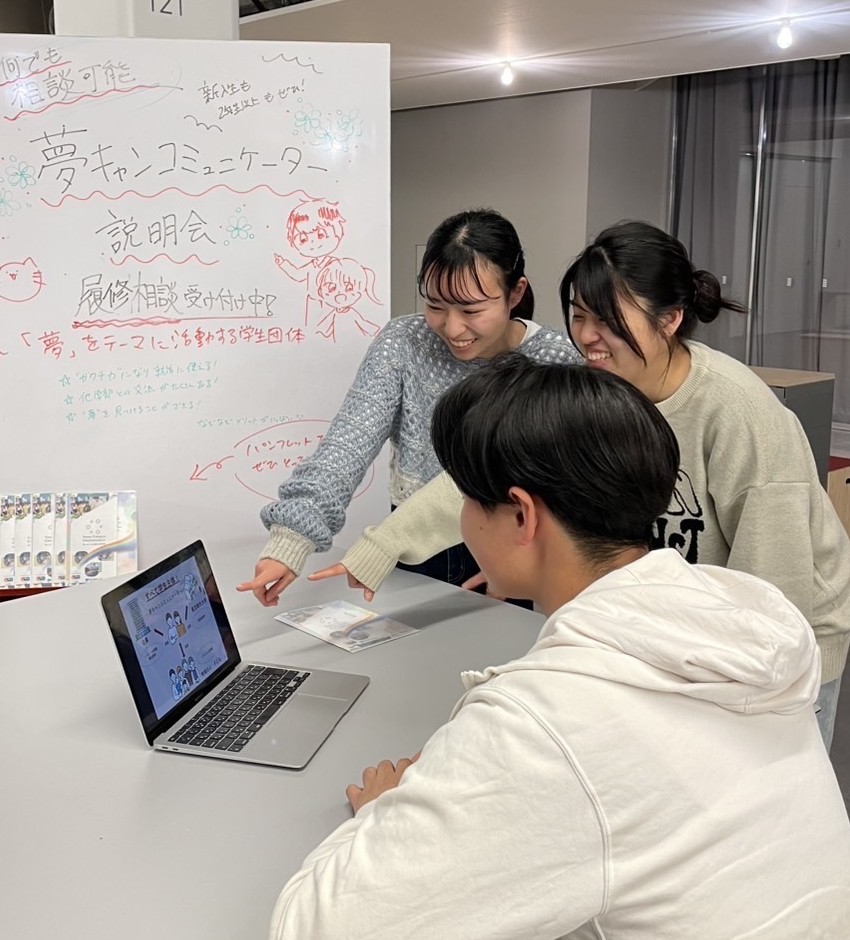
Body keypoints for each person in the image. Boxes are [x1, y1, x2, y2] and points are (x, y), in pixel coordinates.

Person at [269, 359, 850, 940]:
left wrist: (386, 812)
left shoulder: (550, 721)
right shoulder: (737, 627)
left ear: (522, 515)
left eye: (468, 500)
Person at [315, 220, 850, 750]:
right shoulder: (596, 391)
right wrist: (384, 545)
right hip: (663, 633)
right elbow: (489, 470)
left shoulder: (738, 412)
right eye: (579, 316)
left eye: (609, 320)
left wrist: (733, 690)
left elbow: (773, 596)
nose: (588, 337)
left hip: (777, 650)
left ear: (670, 319)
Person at [238, 208, 580, 607]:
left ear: (516, 293)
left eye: (471, 310)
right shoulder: (404, 342)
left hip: (510, 543)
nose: (452, 327)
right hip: (412, 546)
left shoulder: (556, 361)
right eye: (435, 305)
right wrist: (291, 539)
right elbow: (347, 444)